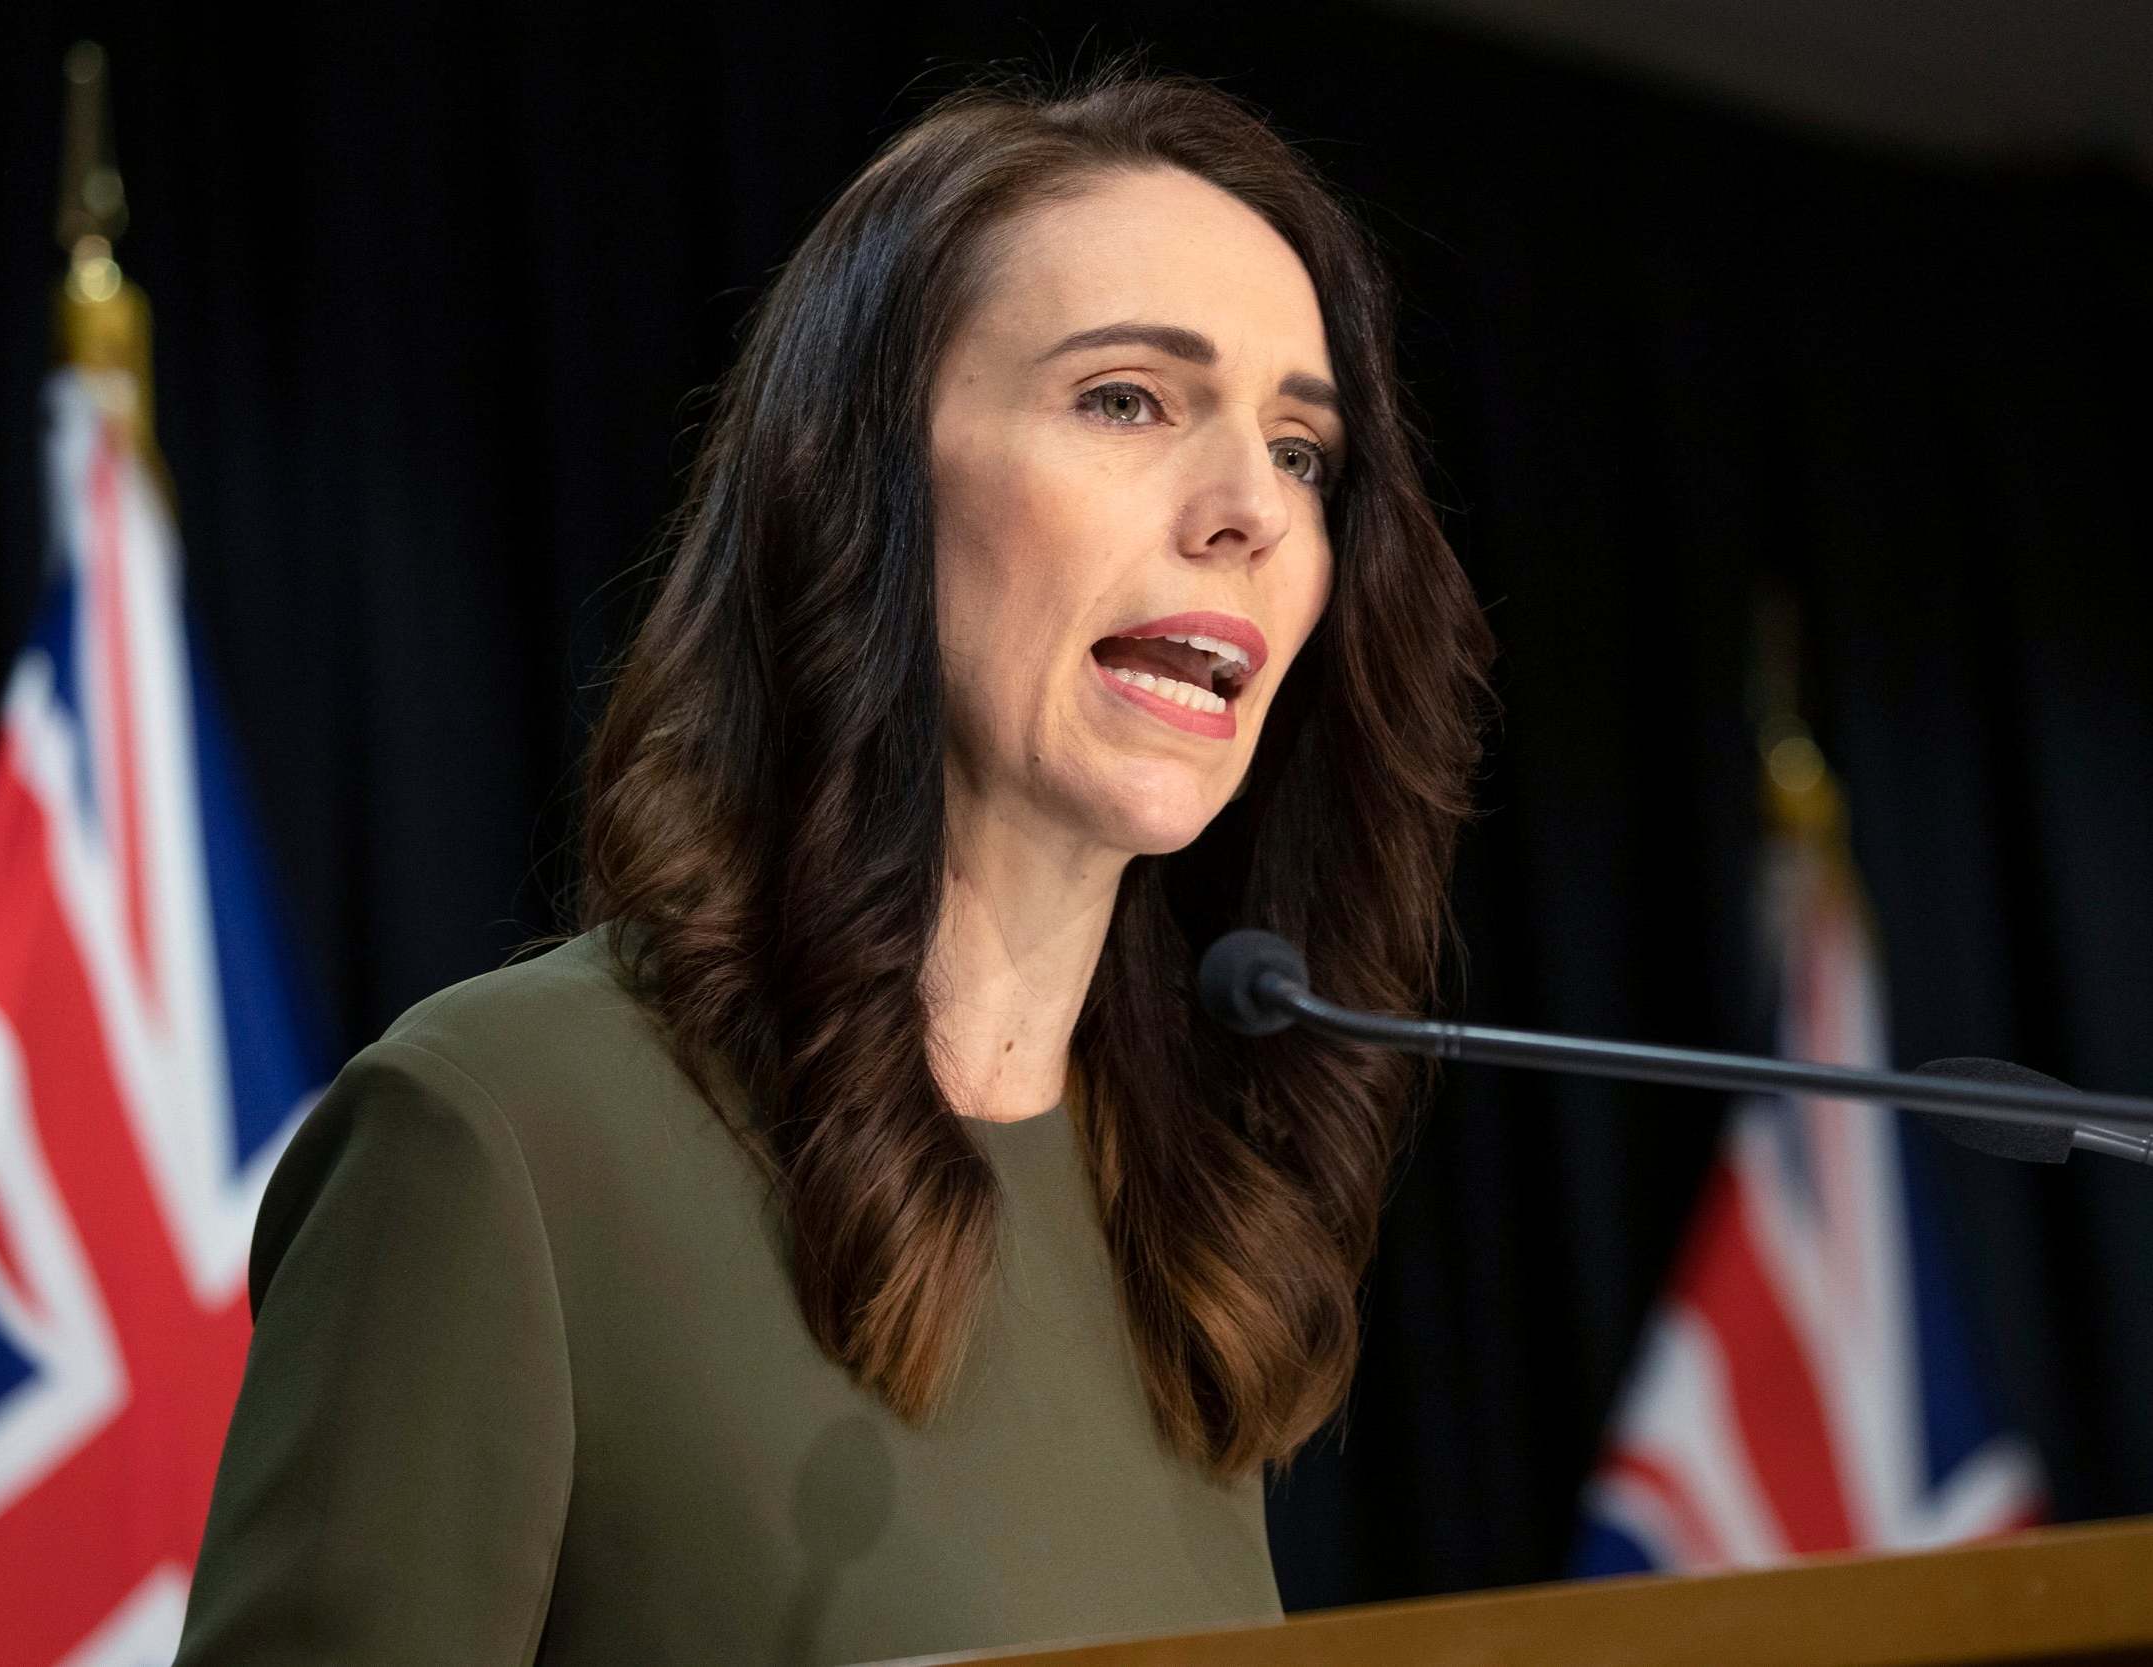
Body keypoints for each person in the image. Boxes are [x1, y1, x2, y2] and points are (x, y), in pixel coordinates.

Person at [173, 60, 1494, 1667]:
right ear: (856, 484)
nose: (1249, 513)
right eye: (1127, 400)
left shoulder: (1186, 1220)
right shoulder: (506, 1134)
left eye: (1301, 450)